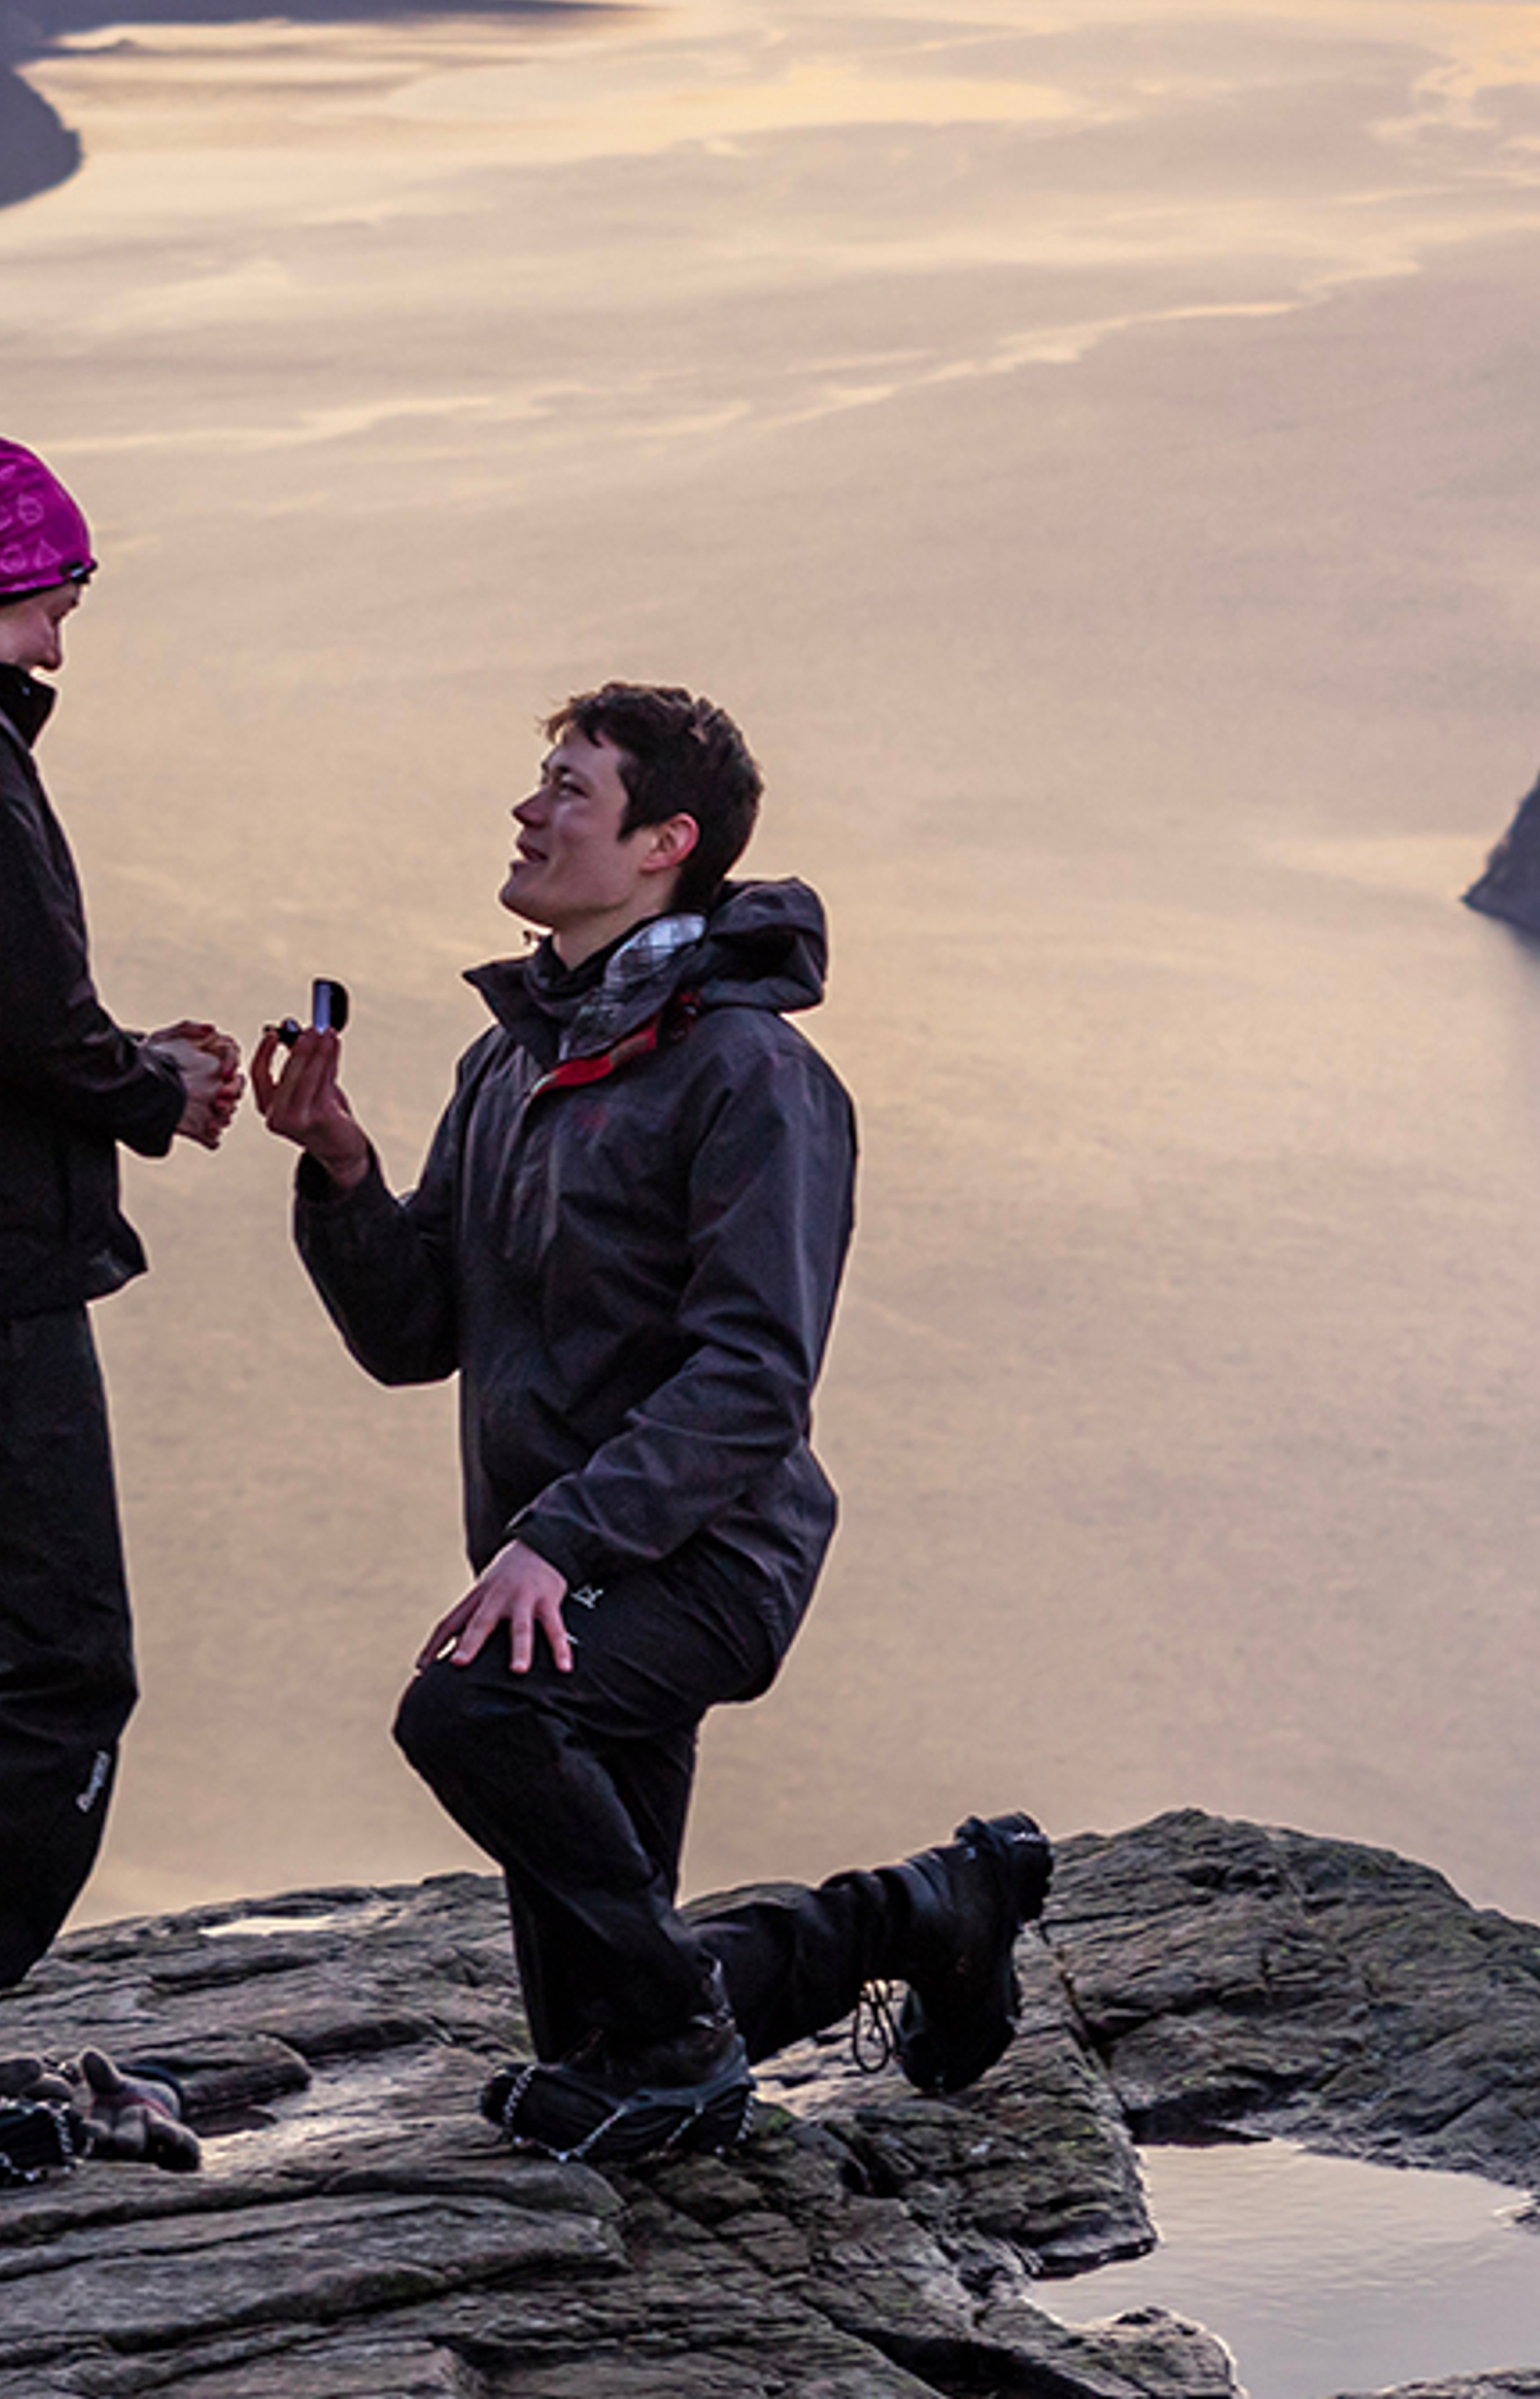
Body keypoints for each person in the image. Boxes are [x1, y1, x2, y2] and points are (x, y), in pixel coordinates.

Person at [254, 681, 1048, 2164]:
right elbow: (415, 1333)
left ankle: (705, 2025)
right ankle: (925, 1912)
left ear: (665, 841)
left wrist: (561, 1539)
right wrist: (344, 1172)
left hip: (696, 1557)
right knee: (595, 2041)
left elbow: (753, 1376)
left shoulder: (753, 1073)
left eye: (568, 786)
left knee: (470, 1710)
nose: (528, 808)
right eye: (536, 778)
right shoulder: (514, 1061)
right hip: (558, 1570)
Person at [0, 431, 236, 2191]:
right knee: (56, 1670)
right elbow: (20, 1011)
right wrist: (152, 1080)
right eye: (52, 600)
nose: (58, 648)